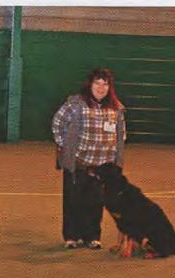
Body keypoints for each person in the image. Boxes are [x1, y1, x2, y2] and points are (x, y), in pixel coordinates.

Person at [51, 68, 126, 250]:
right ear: (90, 85)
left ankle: (92, 236)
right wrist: (65, 145)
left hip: (102, 166)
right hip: (79, 163)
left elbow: (121, 135)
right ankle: (71, 237)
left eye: (105, 84)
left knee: (95, 202)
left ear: (109, 87)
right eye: (97, 83)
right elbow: (57, 123)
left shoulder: (116, 108)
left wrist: (117, 160)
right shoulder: (76, 104)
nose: (101, 88)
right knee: (73, 201)